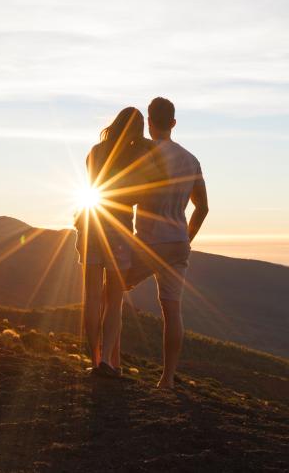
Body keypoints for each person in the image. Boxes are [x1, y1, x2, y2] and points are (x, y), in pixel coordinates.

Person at [124, 97, 208, 389]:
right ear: (173, 123)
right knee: (172, 310)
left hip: (149, 242)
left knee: (111, 287)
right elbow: (202, 208)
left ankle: (106, 359)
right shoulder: (191, 159)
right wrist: (186, 238)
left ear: (149, 121)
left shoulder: (144, 154)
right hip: (178, 243)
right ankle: (167, 378)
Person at [77, 106, 161, 378]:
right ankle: (107, 365)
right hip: (118, 228)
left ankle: (95, 358)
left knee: (90, 297)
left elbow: (93, 185)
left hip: (90, 222)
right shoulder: (137, 157)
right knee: (114, 300)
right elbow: (144, 192)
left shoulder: (95, 152)